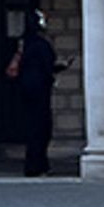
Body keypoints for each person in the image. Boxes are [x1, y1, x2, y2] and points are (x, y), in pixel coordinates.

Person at [10, 10, 62, 177]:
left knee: (33, 127)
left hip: (26, 88)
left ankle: (35, 165)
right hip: (40, 89)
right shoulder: (41, 44)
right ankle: (37, 165)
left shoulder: (24, 42)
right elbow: (48, 65)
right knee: (42, 128)